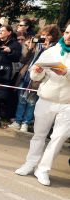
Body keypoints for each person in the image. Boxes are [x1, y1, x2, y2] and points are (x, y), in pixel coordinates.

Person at [14, 23, 70, 186]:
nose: (68, 36)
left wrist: (66, 73)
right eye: (66, 32)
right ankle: (30, 164)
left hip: (67, 103)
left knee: (59, 137)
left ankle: (43, 169)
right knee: (39, 135)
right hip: (46, 99)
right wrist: (36, 72)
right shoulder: (50, 51)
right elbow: (35, 76)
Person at [10, 25, 61, 132]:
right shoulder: (37, 45)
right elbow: (23, 60)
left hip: (39, 78)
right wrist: (30, 47)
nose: (44, 38)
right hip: (26, 76)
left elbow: (52, 62)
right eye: (43, 35)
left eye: (48, 36)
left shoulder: (55, 48)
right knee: (21, 100)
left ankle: (25, 123)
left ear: (53, 37)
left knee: (31, 102)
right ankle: (17, 121)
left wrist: (47, 49)